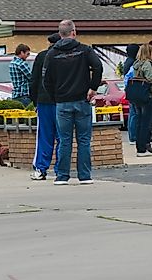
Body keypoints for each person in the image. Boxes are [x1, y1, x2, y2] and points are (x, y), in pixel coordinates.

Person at [43, 19, 103, 185]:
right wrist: (93, 87)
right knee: (84, 140)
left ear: (60, 34)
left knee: (64, 140)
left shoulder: (52, 53)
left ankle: (62, 176)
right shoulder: (84, 50)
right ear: (74, 32)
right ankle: (85, 175)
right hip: (82, 99)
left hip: (62, 102)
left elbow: (45, 79)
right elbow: (98, 66)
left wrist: (55, 96)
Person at [29, 33, 61, 180]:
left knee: (44, 136)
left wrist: (34, 101)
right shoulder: (69, 55)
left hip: (44, 100)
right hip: (63, 100)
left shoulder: (42, 56)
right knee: (63, 137)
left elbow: (34, 80)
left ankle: (41, 168)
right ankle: (61, 169)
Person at [124, 43, 152, 157]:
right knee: (146, 123)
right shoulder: (148, 64)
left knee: (139, 122)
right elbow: (150, 82)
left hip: (137, 97)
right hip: (147, 97)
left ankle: (140, 146)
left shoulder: (136, 64)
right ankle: (142, 149)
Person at [122, 43, 140, 144]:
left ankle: (132, 136)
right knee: (134, 114)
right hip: (133, 89)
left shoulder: (127, 62)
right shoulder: (133, 63)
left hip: (129, 90)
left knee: (132, 113)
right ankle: (133, 137)